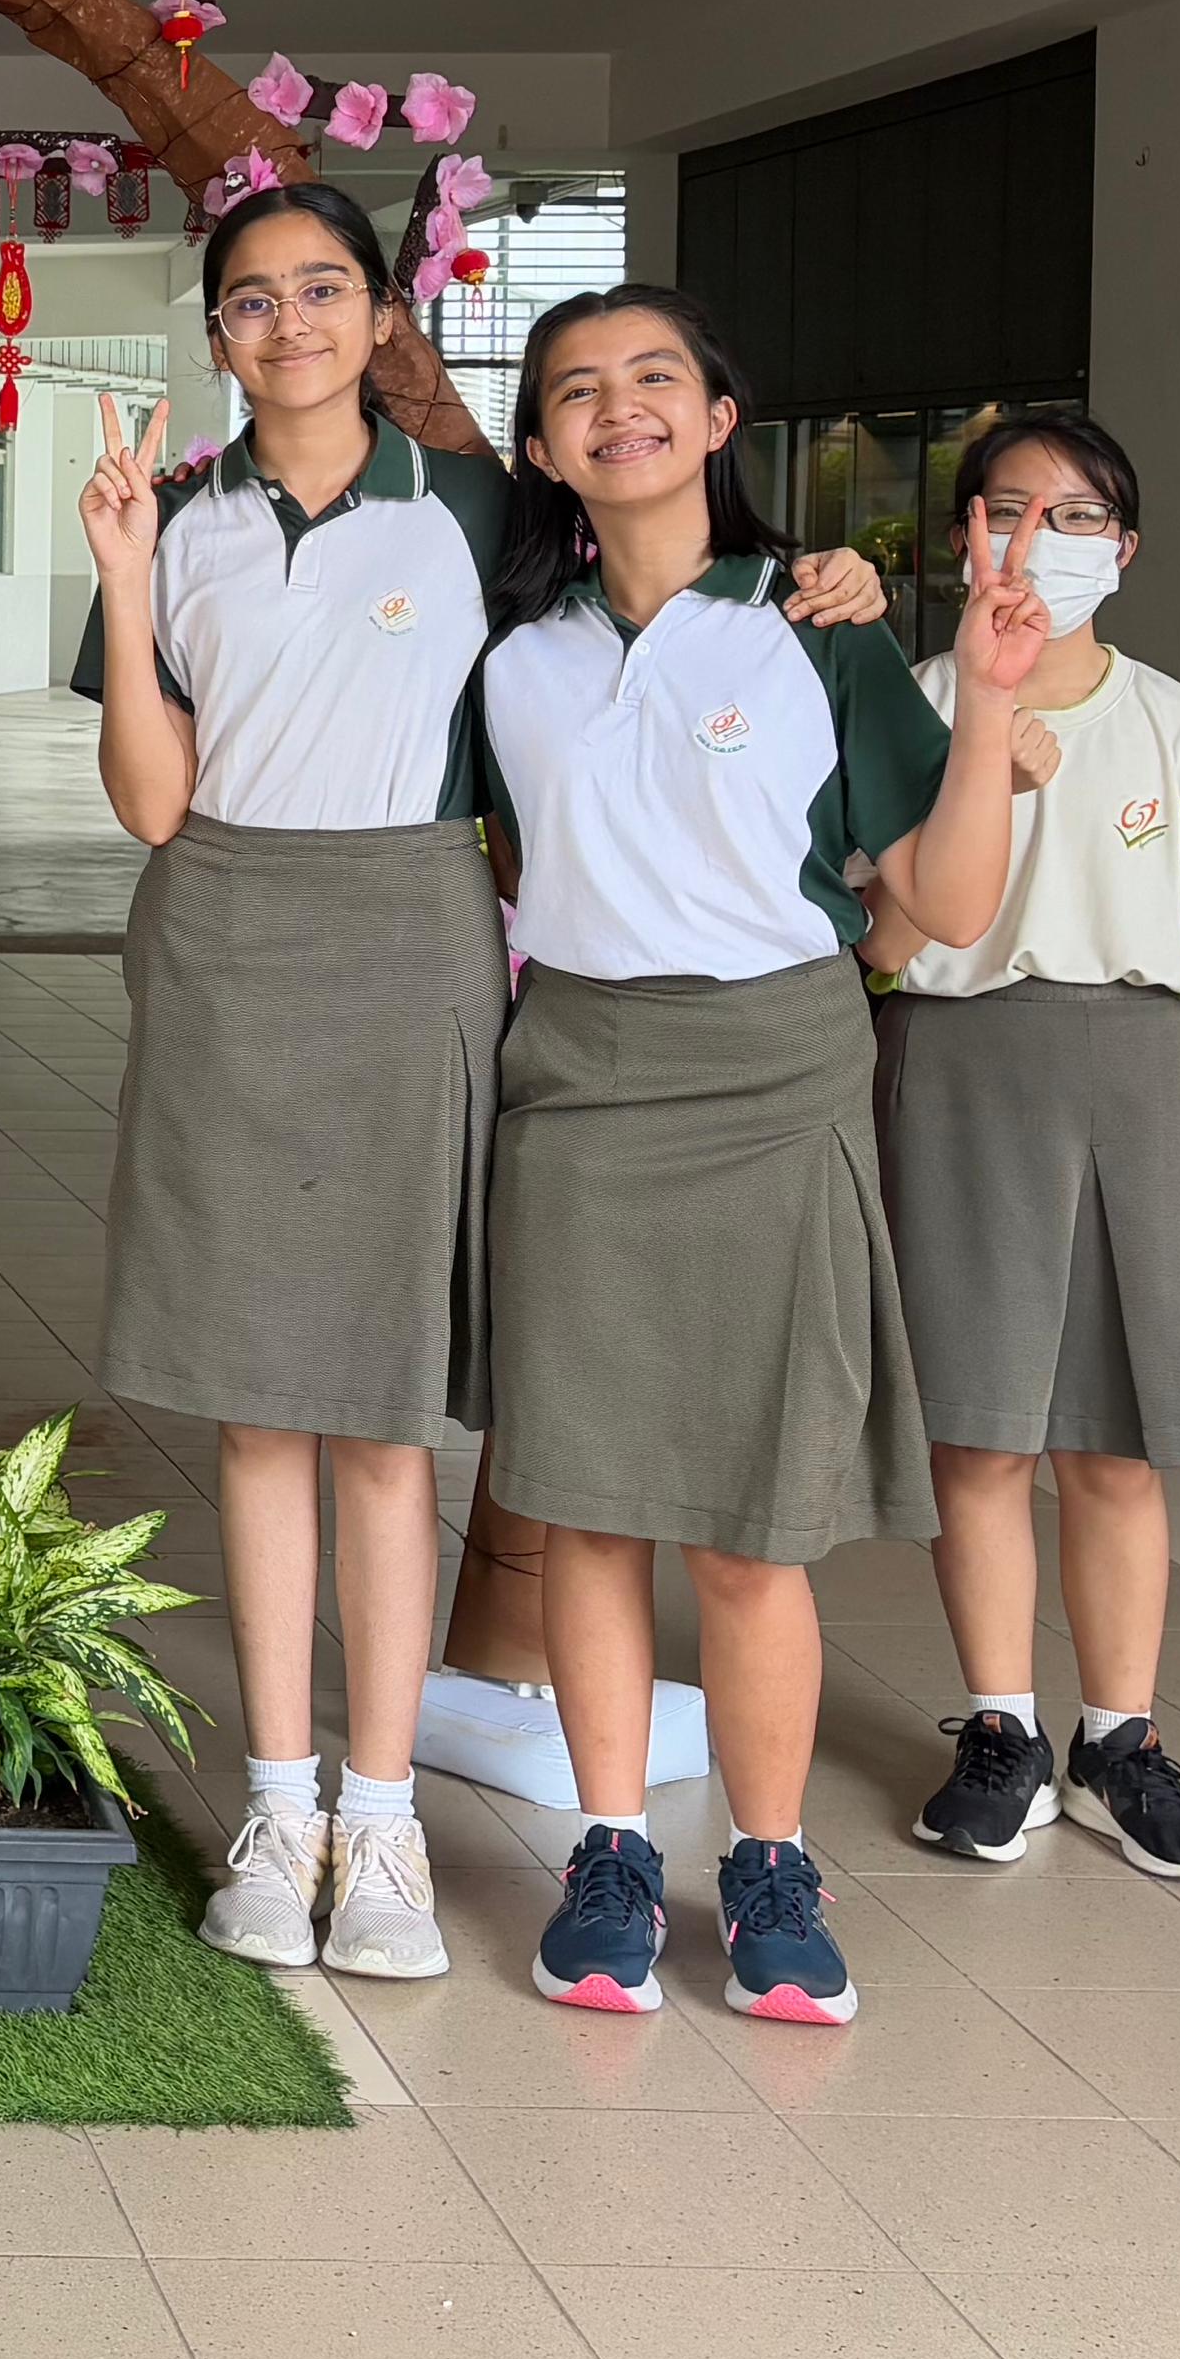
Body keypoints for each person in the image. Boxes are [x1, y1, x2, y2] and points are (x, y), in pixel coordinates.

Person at [74, 188, 882, 1980]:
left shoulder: (488, 511)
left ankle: (383, 1819)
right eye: (252, 299)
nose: (290, 322)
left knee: (382, 1413)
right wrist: (122, 585)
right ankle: (278, 1805)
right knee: (254, 1409)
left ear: (384, 315)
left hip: (411, 943)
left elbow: (666, 574)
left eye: (325, 289)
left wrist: (837, 580)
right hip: (221, 942)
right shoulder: (175, 523)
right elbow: (148, 802)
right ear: (215, 335)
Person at [471, 281, 1023, 2028]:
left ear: (719, 419)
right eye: (577, 389)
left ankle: (771, 1866)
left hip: (775, 1080)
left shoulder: (817, 628)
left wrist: (990, 700)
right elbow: (508, 868)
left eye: (656, 377)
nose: (617, 407)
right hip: (578, 1084)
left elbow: (945, 904)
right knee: (589, 1507)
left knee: (750, 1532)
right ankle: (614, 1853)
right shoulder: (512, 655)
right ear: (542, 447)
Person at [869, 412, 1180, 1881]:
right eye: (1009, 509)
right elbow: (875, 943)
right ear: (962, 537)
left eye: (1078, 516)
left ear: (1126, 548)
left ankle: (1121, 1740)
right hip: (957, 1067)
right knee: (978, 1433)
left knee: (1115, 1442)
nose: (1039, 541)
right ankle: (1001, 1731)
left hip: (1142, 1079)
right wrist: (989, 775)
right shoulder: (905, 708)